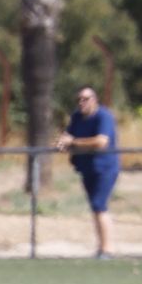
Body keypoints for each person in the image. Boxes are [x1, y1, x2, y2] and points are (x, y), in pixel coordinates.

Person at [56, 85, 119, 259]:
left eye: (86, 99)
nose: (82, 103)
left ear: (94, 100)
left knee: (100, 205)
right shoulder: (77, 117)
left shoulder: (104, 116)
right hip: (86, 168)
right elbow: (67, 136)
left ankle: (108, 248)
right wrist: (63, 143)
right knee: (95, 207)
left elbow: (101, 142)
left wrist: (73, 142)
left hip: (104, 168)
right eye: (79, 100)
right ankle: (101, 247)